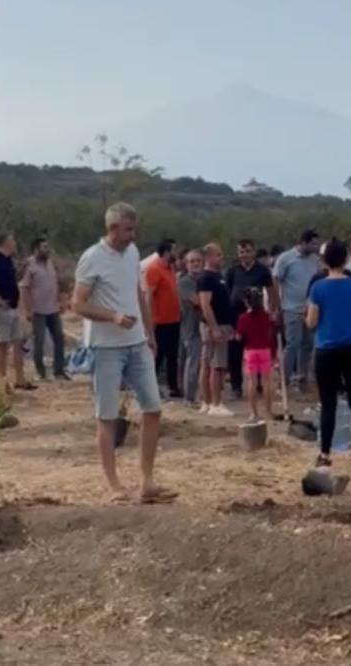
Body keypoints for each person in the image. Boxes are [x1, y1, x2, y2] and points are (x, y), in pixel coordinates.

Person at [71, 203, 175, 504]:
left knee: (153, 408)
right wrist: (112, 316)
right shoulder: (92, 259)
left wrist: (149, 334)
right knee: (107, 416)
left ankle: (147, 482)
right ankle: (114, 485)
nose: (133, 235)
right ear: (113, 228)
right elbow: (77, 304)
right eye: (129, 229)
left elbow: (140, 295)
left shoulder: (132, 255)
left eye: (134, 229)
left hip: (137, 343)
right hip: (105, 348)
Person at [306, 240, 351, 467]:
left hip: (326, 348)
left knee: (328, 402)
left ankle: (325, 454)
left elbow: (312, 321)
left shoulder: (318, 288)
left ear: (325, 260)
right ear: (345, 259)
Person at [225, 239, 279, 400]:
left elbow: (271, 292)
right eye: (241, 252)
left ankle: (260, 384)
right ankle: (236, 386)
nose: (245, 255)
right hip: (236, 316)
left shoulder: (262, 270)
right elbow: (227, 294)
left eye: (248, 251)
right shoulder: (232, 271)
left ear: (253, 252)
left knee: (258, 349)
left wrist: (273, 310)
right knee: (235, 351)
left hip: (256, 315)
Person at [0, 233, 34, 391]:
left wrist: (24, 268)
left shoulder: (8, 260)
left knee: (17, 342)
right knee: (2, 344)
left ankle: (20, 379)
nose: (15, 243)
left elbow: (11, 279)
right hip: (0, 309)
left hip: (12, 308)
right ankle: (2, 381)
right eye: (12, 240)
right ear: (5, 243)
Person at [272, 229, 321, 388]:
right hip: (291, 308)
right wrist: (276, 305)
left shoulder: (315, 260)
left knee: (307, 343)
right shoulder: (286, 258)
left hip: (310, 308)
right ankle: (284, 380)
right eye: (313, 244)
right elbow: (276, 280)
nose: (316, 247)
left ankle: (301, 377)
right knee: (293, 343)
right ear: (303, 242)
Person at [21, 237, 69, 382]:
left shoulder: (50, 263)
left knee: (59, 339)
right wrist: (28, 310)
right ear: (36, 249)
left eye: (48, 247)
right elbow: (24, 288)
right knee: (39, 341)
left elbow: (58, 283)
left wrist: (61, 301)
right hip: (38, 311)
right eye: (44, 248)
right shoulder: (29, 265)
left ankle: (59, 371)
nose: (47, 250)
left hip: (53, 309)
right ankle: (41, 372)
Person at [198, 243, 235, 417]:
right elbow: (205, 305)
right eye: (218, 255)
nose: (222, 257)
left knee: (208, 364)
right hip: (215, 325)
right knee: (216, 366)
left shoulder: (217, 276)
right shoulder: (207, 278)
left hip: (221, 324)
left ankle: (206, 402)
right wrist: (215, 328)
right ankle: (215, 403)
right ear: (209, 257)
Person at [144, 239, 182, 398]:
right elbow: (148, 296)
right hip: (160, 321)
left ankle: (173, 386)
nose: (175, 253)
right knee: (158, 356)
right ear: (166, 251)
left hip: (174, 319)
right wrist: (150, 319)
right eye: (173, 250)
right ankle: (150, 388)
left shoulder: (170, 268)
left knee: (173, 356)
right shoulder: (154, 269)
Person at [236, 288, 277, 423]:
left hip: (250, 351)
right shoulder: (266, 316)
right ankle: (268, 410)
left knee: (251, 382)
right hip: (265, 350)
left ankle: (254, 413)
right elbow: (273, 329)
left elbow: (239, 336)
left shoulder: (243, 318)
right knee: (266, 382)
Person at [177, 249, 205, 405]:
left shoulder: (204, 280)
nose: (195, 264)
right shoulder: (184, 282)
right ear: (186, 264)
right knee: (191, 362)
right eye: (192, 261)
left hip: (203, 326)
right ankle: (188, 397)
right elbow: (198, 301)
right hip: (190, 327)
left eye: (198, 261)